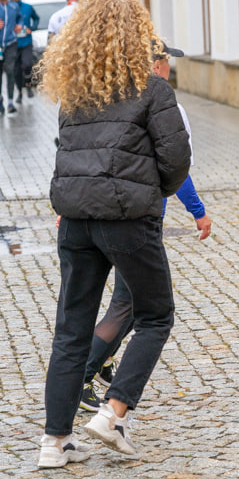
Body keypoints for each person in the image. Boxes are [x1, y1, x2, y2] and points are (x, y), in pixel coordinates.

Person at [36, 0, 191, 469]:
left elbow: (66, 156)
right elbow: (176, 161)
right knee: (156, 315)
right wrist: (150, 193)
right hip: (127, 221)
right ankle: (114, 411)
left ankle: (53, 442)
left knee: (71, 330)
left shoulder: (74, 96)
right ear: (137, 36)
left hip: (77, 221)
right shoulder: (153, 90)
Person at [78, 41, 213, 412]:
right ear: (155, 66)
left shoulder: (109, 100)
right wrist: (198, 212)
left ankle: (101, 364)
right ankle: (83, 376)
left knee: (129, 302)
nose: (169, 66)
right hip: (138, 221)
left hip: (98, 216)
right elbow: (178, 170)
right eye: (166, 60)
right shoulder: (167, 106)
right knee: (130, 306)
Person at [9, 0, 39, 100]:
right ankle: (20, 92)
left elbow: (36, 19)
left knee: (27, 64)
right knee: (16, 70)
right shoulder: (7, 9)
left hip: (26, 42)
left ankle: (28, 85)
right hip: (13, 43)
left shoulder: (28, 7)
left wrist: (32, 28)